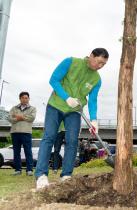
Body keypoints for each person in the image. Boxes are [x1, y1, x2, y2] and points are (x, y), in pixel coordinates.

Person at [35, 48, 109, 189]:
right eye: (99, 62)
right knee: (49, 137)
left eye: (103, 65)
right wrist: (67, 97)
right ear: (91, 56)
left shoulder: (96, 79)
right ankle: (41, 175)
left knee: (72, 141)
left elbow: (92, 100)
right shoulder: (70, 62)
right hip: (55, 105)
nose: (100, 66)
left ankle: (66, 175)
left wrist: (94, 120)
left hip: (75, 111)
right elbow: (54, 80)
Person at [7, 92, 37, 176]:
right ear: (20, 98)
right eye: (23, 98)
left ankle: (29, 170)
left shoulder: (33, 108)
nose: (25, 99)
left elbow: (31, 118)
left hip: (26, 132)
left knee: (28, 151)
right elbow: (10, 118)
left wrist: (19, 117)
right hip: (15, 132)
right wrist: (22, 118)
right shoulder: (14, 108)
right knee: (16, 152)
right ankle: (17, 170)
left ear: (29, 99)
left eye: (26, 98)